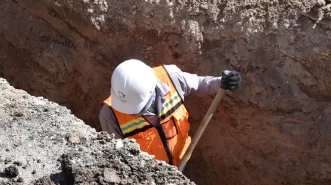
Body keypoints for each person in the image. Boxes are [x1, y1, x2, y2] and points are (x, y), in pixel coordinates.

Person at [100, 60, 240, 166]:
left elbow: (199, 84)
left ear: (152, 90)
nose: (135, 113)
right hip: (148, 179)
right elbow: (119, 159)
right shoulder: (110, 115)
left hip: (182, 161)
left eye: (140, 108)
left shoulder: (171, 78)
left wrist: (221, 82)